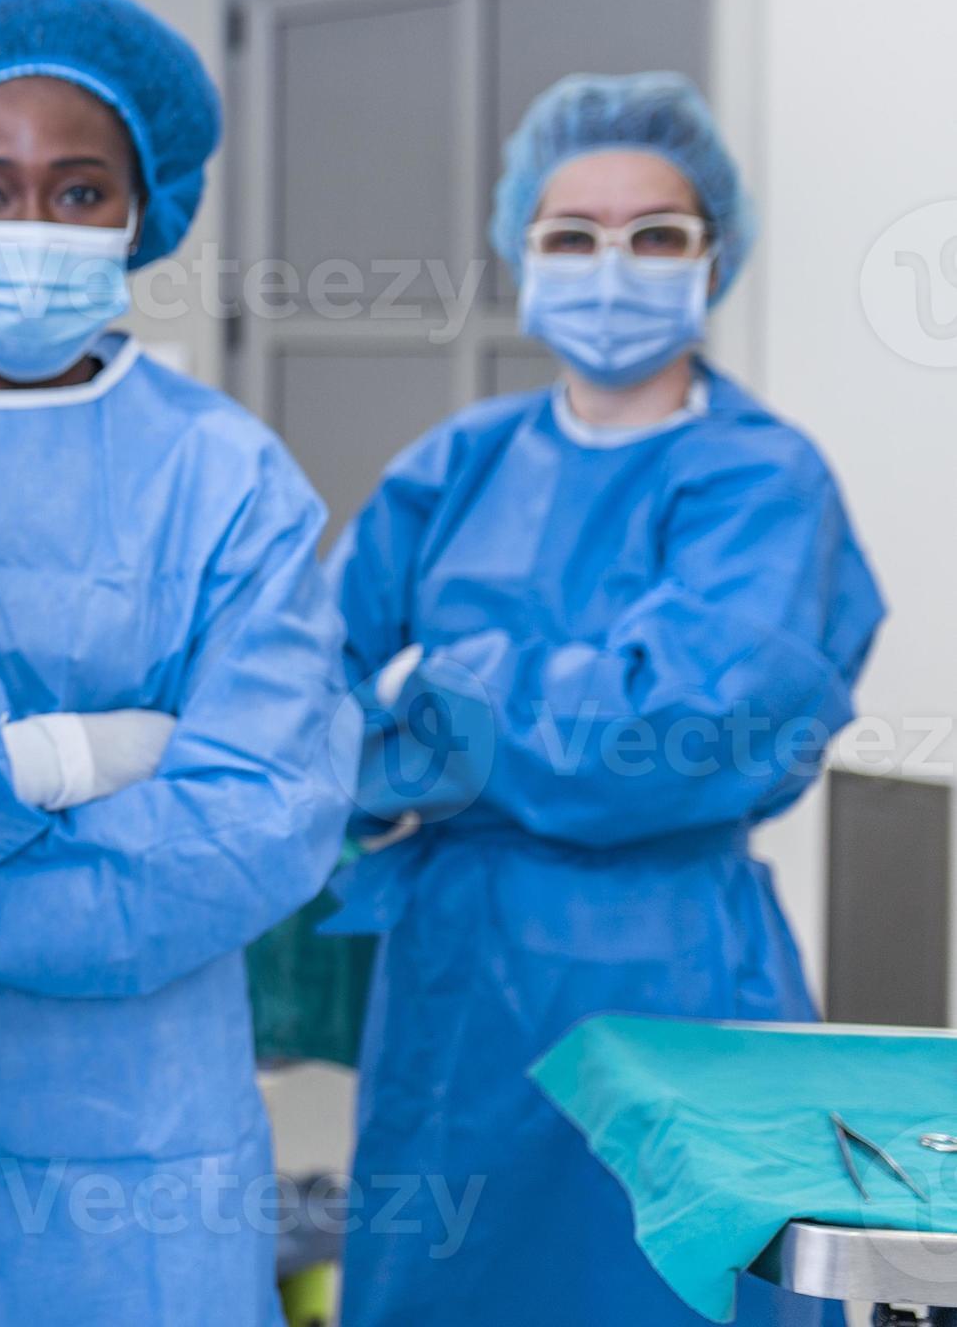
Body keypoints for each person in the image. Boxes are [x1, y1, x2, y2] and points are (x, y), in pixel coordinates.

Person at [0, 0, 350, 1323]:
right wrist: (75, 757)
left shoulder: (225, 479)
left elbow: (253, 824)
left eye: (77, 193)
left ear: (141, 211)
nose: (33, 228)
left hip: (141, 1146)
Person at [329, 72, 884, 1326]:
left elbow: (669, 738)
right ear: (520, 251)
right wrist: (445, 715)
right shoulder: (454, 465)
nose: (611, 264)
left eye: (655, 236)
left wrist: (441, 687)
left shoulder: (762, 479)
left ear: (714, 256)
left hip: (680, 974)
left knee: (667, 1288)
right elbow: (319, 702)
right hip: (457, 991)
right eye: (571, 235)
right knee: (452, 1286)